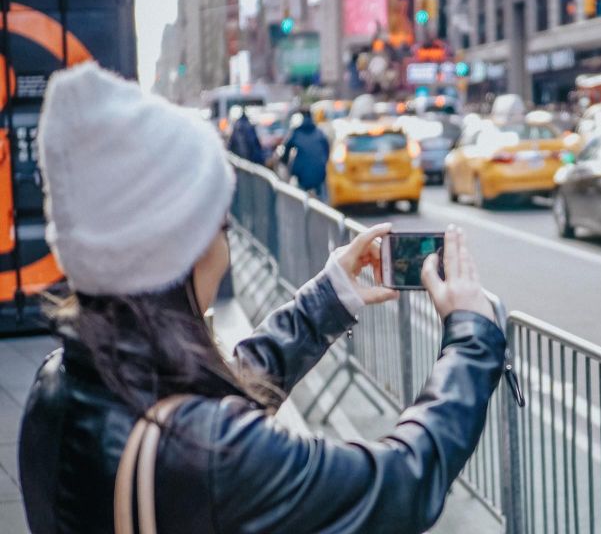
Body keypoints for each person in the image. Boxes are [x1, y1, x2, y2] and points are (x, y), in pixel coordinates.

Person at [20, 62, 507, 534]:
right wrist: (472, 338)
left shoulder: (58, 383)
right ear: (180, 249)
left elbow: (223, 385)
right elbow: (402, 481)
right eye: (222, 228)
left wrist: (328, 299)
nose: (226, 252)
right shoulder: (209, 453)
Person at [280, 108, 330, 199]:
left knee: (300, 198)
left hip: (302, 175)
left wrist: (284, 161)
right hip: (319, 173)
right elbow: (327, 151)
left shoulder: (296, 133)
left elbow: (286, 149)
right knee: (322, 196)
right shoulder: (319, 133)